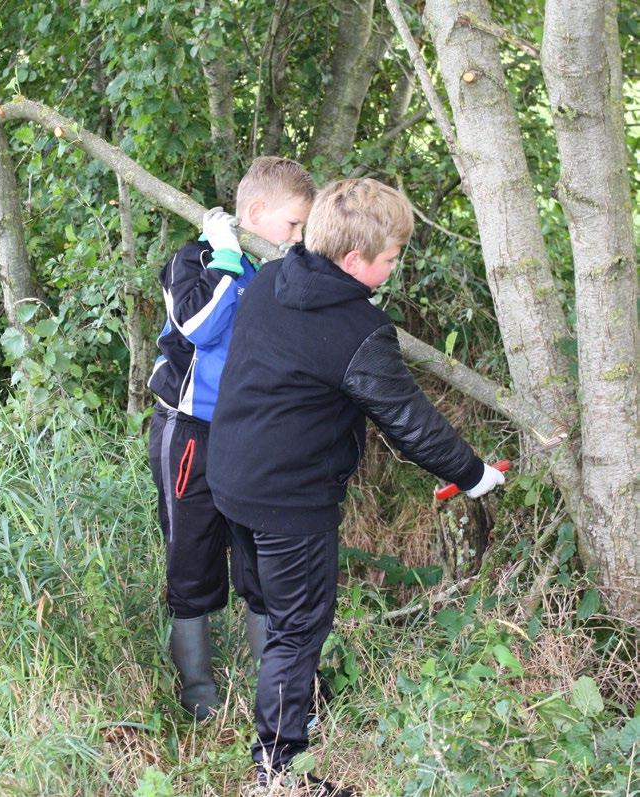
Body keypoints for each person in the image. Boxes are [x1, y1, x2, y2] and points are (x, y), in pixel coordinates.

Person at [206, 178, 505, 795]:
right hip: (290, 499)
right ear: (353, 261)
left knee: (270, 608)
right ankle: (278, 773)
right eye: (392, 257)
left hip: (231, 477)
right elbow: (411, 425)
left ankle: (287, 707)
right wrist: (476, 476)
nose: (395, 267)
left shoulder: (269, 281)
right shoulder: (356, 329)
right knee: (298, 628)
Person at [147, 156, 315, 721]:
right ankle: (198, 695)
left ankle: (273, 686)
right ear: (257, 212)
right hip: (190, 430)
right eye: (293, 225)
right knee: (192, 555)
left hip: (253, 438)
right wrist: (224, 256)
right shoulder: (193, 260)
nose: (297, 238)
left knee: (261, 560)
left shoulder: (276, 269)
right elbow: (201, 326)